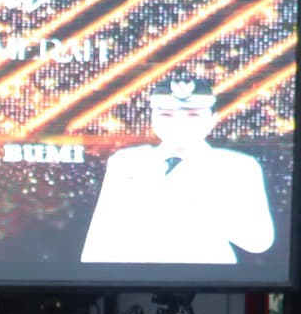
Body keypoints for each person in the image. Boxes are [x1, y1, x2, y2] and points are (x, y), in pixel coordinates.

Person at [78, 67, 276, 266]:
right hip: (136, 273)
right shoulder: (126, 162)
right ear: (153, 118)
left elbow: (259, 241)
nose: (179, 123)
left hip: (208, 274)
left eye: (193, 115)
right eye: (166, 115)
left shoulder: (237, 167)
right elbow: (101, 235)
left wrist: (201, 201)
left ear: (212, 118)